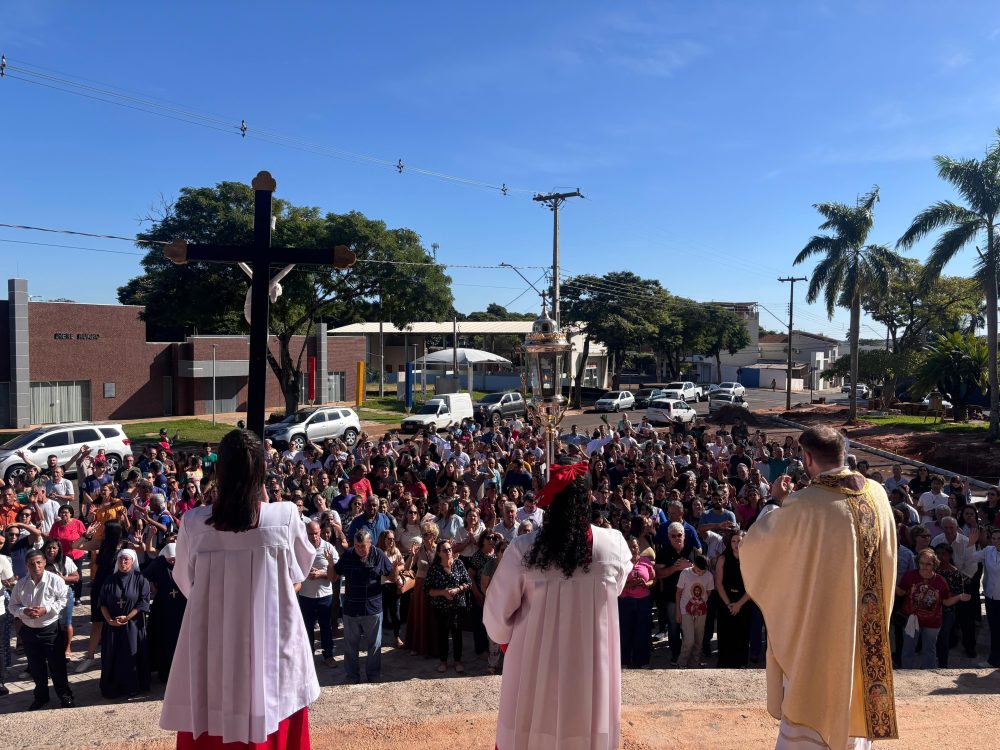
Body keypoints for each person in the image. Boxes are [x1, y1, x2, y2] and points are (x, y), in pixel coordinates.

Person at [741, 425, 898, 750]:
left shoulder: (803, 506)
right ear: (844, 452)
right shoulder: (877, 496)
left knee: (808, 729)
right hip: (861, 642)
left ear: (808, 457)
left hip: (816, 640)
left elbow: (757, 547)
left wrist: (775, 503)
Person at [160, 429, 319, 749]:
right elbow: (300, 570)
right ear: (261, 473)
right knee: (274, 707)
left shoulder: (193, 522)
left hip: (213, 642)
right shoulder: (285, 515)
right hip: (271, 639)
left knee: (211, 717)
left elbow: (186, 583)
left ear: (217, 471)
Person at [484, 460, 631, 750]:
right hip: (590, 665)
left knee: (533, 728)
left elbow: (496, 614)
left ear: (550, 502)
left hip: (534, 662)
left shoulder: (523, 549)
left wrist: (507, 640)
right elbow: (617, 590)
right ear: (589, 498)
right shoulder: (613, 545)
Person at [10, 549, 74, 709]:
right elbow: (12, 606)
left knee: (57, 666)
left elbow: (63, 599)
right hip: (30, 631)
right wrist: (23, 611)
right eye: (32, 564)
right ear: (26, 566)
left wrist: (47, 609)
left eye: (39, 562)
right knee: (36, 668)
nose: (36, 566)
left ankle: (65, 696)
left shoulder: (55, 580)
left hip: (51, 630)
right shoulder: (21, 584)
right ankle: (41, 697)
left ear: (45, 563)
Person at [333, 528, 394, 684]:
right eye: (357, 546)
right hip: (351, 609)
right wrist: (329, 564)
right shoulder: (348, 555)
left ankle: (373, 674)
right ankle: (352, 676)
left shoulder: (379, 554)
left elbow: (392, 576)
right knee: (350, 646)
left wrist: (397, 568)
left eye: (363, 546)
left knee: (374, 645)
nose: (360, 549)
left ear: (370, 543)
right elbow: (335, 574)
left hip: (373, 609)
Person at [896, 548, 969, 669]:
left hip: (932, 622)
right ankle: (905, 674)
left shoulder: (940, 581)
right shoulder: (910, 576)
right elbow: (901, 592)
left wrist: (959, 597)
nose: (924, 567)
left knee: (929, 651)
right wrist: (890, 583)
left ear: (934, 565)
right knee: (908, 649)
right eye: (922, 563)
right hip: (912, 620)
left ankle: (928, 677)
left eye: (928, 564)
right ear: (918, 562)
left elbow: (946, 602)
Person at [99, 548, 152, 698]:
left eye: (126, 559)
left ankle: (133, 686)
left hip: (133, 625)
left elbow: (143, 602)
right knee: (113, 656)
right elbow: (102, 603)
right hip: (113, 626)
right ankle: (114, 687)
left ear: (133, 561)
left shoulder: (140, 579)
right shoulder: (110, 579)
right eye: (121, 559)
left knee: (131, 655)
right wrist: (110, 620)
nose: (123, 562)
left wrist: (127, 617)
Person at [143, 543, 187, 682]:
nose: (173, 562)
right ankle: (164, 672)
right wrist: (151, 586)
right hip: (163, 607)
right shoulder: (158, 563)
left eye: (175, 559)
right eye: (170, 559)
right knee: (164, 639)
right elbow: (144, 576)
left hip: (182, 606)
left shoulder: (185, 561)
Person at [297, 521, 339, 668]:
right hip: (305, 595)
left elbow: (336, 574)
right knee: (306, 628)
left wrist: (321, 573)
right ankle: (308, 659)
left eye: (316, 533)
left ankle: (328, 656)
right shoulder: (300, 547)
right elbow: (292, 569)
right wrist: (304, 573)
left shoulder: (328, 548)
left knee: (326, 627)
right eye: (310, 534)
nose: (314, 536)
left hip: (324, 596)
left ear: (320, 531)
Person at [618, 536, 656, 669]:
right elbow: (616, 584)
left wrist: (646, 584)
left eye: (634, 546)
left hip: (643, 601)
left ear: (638, 547)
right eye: (629, 547)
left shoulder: (646, 561)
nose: (632, 549)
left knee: (643, 631)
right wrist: (630, 584)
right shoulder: (621, 564)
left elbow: (653, 579)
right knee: (625, 631)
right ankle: (624, 661)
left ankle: (642, 661)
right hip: (625, 602)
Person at [676, 553, 714, 669]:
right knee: (689, 640)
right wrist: (678, 611)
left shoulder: (708, 576)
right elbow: (678, 593)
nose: (700, 574)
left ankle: (694, 664)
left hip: (701, 611)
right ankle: (681, 663)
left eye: (703, 572)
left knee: (699, 639)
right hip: (686, 610)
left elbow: (708, 593)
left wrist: (699, 604)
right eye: (698, 570)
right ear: (694, 565)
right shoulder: (685, 573)